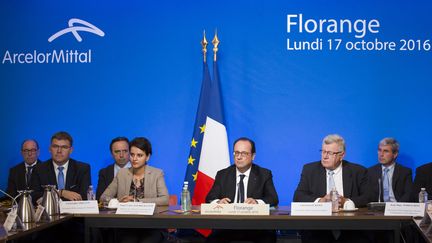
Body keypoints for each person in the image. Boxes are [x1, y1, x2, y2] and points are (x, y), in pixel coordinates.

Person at [293, 134, 369, 243]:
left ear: (341, 155)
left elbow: (368, 197)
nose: (324, 156)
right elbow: (298, 196)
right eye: (323, 151)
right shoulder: (309, 170)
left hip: (351, 229)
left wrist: (346, 202)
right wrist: (321, 201)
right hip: (318, 229)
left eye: (329, 153)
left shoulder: (358, 171)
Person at [205, 137, 278, 243]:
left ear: (253, 156)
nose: (239, 157)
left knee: (268, 237)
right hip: (227, 226)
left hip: (256, 226)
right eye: (236, 153)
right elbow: (210, 198)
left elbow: (273, 198)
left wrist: (257, 202)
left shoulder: (264, 174)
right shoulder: (223, 174)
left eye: (244, 153)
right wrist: (218, 202)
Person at [101, 137, 168, 243]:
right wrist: (118, 202)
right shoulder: (122, 173)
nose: (134, 159)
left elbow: (165, 199)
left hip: (151, 225)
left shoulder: (157, 173)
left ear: (147, 157)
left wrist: (137, 201)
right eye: (132, 155)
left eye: (139, 155)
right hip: (127, 225)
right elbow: (104, 197)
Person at [30, 131, 91, 202]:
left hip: (74, 211)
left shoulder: (82, 169)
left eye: (64, 147)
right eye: (55, 146)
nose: (59, 151)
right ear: (50, 149)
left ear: (71, 150)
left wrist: (54, 196)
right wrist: (61, 193)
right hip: (48, 212)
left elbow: (84, 196)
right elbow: (34, 196)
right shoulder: (39, 169)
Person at [367, 138, 413, 202]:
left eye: (386, 151)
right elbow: (367, 195)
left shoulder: (405, 172)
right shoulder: (370, 172)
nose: (381, 154)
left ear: (395, 154)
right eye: (379, 150)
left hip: (398, 208)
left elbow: (408, 194)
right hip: (377, 209)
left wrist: (398, 208)